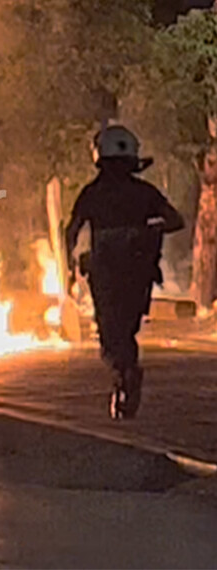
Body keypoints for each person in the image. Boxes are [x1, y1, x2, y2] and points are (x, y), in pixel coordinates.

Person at [65, 125, 184, 419]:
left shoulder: (93, 193)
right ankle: (126, 376)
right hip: (136, 274)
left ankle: (124, 373)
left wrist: (69, 264)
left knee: (111, 331)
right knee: (126, 328)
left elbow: (72, 229)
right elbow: (174, 220)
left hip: (107, 274)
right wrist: (144, 231)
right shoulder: (144, 193)